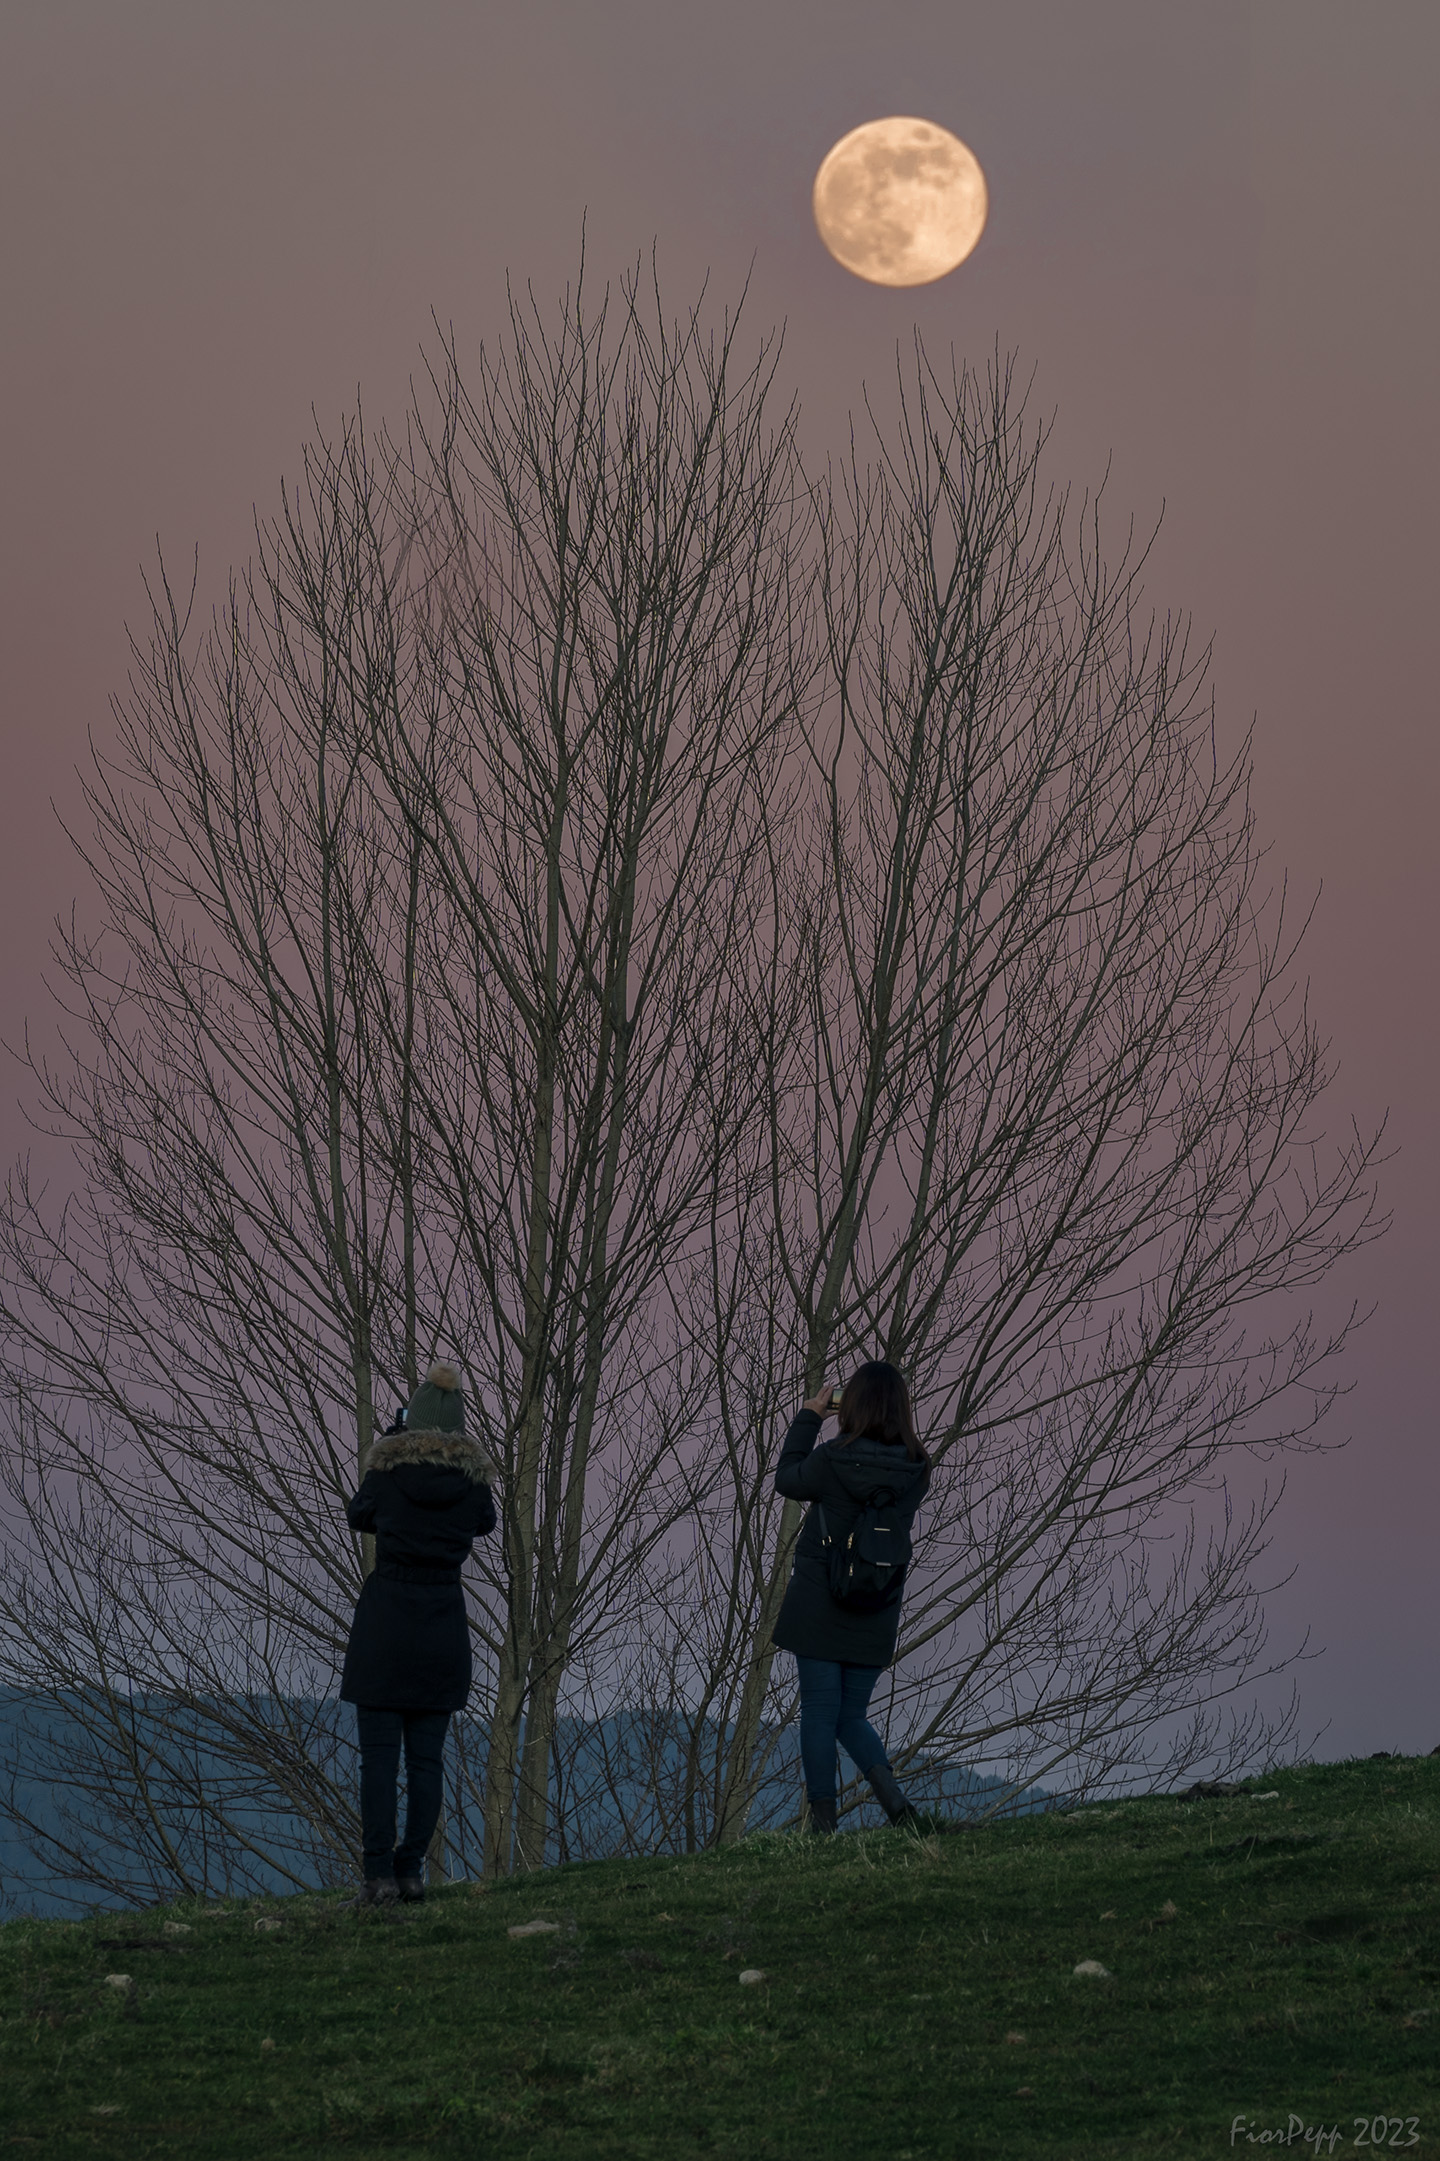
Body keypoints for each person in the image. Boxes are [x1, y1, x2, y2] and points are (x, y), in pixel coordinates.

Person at [340, 1361, 496, 1903]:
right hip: (441, 1632)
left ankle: (376, 1875)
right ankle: (411, 1872)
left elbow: (359, 1515)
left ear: (412, 1424)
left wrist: (389, 1448)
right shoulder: (473, 1487)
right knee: (427, 1762)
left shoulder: (386, 1477)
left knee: (378, 1760)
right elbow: (485, 1522)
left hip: (385, 1629)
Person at [772, 1360, 931, 1834]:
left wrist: (809, 1416)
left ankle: (823, 1825)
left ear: (852, 1405)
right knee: (851, 1716)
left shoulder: (831, 1459)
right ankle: (898, 1807)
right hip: (876, 1605)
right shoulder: (917, 1470)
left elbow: (787, 1478)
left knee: (821, 1713)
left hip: (820, 1602)